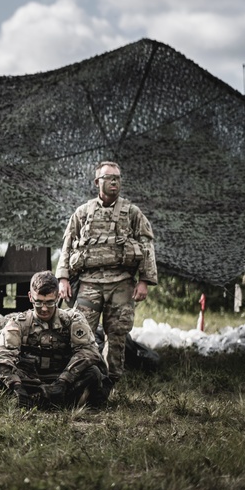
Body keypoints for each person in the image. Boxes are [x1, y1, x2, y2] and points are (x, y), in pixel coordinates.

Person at [56, 161, 157, 383]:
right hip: (89, 283)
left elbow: (147, 245)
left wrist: (145, 281)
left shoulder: (132, 213)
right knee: (80, 333)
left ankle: (110, 383)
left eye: (117, 178)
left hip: (121, 283)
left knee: (117, 335)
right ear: (97, 182)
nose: (114, 182)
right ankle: (80, 379)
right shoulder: (83, 212)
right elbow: (67, 244)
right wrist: (63, 277)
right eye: (109, 177)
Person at [0, 271, 111, 408]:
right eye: (38, 302)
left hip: (64, 378)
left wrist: (64, 381)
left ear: (58, 297)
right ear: (30, 297)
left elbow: (89, 351)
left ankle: (42, 400)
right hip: (30, 379)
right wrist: (16, 385)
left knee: (93, 373)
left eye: (50, 302)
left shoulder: (73, 319)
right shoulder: (19, 322)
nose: (44, 308)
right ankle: (37, 398)